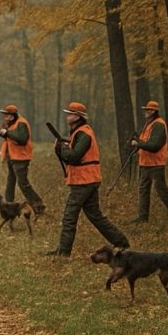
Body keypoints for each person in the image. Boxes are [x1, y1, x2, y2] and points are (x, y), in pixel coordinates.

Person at [47, 102, 129, 256]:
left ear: (77, 116)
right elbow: (71, 155)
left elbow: (73, 156)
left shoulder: (83, 134)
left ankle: (63, 252)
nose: (67, 116)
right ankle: (121, 242)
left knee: (69, 216)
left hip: (83, 181)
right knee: (95, 216)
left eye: (70, 114)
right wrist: (61, 147)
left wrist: (63, 147)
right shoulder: (79, 132)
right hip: (87, 179)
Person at [128, 101, 168, 223]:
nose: (146, 112)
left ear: (154, 111)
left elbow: (155, 145)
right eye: (146, 109)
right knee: (143, 191)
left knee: (162, 190)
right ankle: (142, 217)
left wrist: (138, 143)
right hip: (145, 164)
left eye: (148, 110)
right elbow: (146, 142)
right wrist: (137, 141)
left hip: (156, 164)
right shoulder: (148, 125)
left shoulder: (158, 125)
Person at [0, 104, 45, 214]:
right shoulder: (12, 123)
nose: (5, 117)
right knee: (10, 182)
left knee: (23, 184)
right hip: (12, 157)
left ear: (12, 116)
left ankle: (39, 205)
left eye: (6, 115)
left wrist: (7, 132)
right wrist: (1, 132)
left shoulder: (21, 123)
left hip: (21, 158)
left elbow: (22, 139)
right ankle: (8, 206)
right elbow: (10, 137)